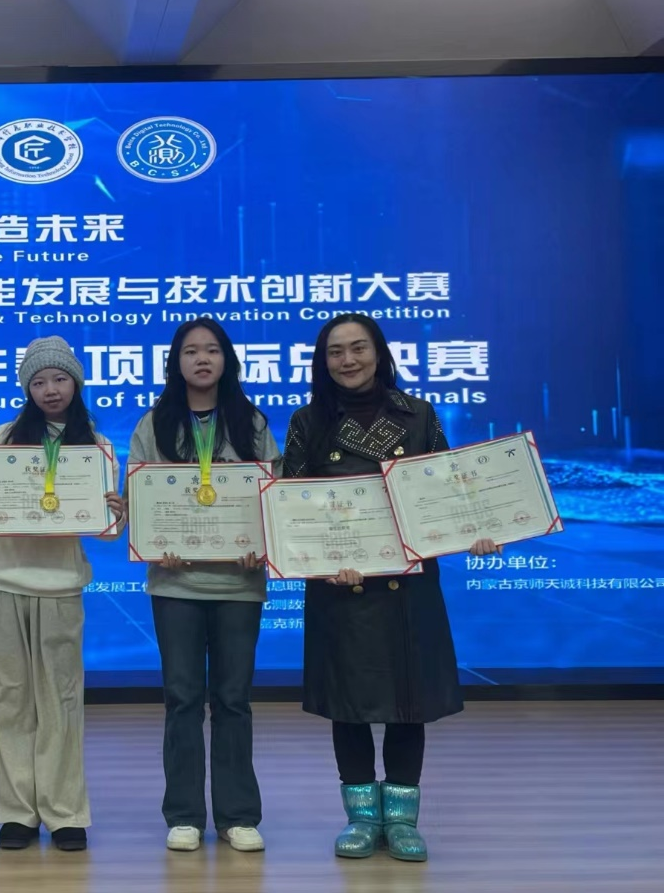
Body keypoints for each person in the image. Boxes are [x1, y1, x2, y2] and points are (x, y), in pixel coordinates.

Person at [281, 312, 499, 862]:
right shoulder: (308, 421)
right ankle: (360, 817)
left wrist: (474, 530)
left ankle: (402, 820)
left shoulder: (419, 414)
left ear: (379, 353)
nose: (348, 360)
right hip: (341, 586)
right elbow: (291, 506)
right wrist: (323, 561)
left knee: (409, 702)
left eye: (358, 348)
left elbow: (448, 492)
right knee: (348, 704)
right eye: (335, 351)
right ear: (322, 361)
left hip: (409, 585)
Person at [0, 337, 126, 853]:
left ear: (75, 382)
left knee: (61, 699)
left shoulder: (96, 447)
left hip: (59, 584)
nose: (50, 389)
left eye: (59, 378)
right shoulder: (2, 439)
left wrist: (115, 514)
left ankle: (64, 812)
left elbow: (106, 532)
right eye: (38, 381)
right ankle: (16, 811)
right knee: (6, 697)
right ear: (26, 389)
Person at [126, 318, 279, 854]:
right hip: (176, 584)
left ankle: (238, 815)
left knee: (234, 699)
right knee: (183, 698)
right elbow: (138, 496)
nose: (202, 359)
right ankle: (185, 814)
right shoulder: (155, 422)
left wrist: (262, 540)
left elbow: (273, 495)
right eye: (190, 351)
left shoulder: (251, 421)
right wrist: (154, 539)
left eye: (212, 350)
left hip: (239, 583)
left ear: (227, 360)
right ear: (176, 362)